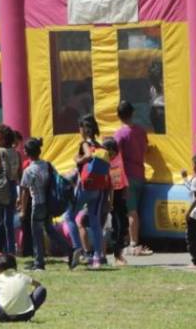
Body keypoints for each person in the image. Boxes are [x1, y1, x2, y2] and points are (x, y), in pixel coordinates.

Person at [65, 114, 110, 269]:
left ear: (83, 129)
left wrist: (78, 160)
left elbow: (88, 156)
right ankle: (97, 257)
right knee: (95, 223)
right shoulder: (100, 145)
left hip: (84, 187)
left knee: (69, 216)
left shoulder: (85, 144)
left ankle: (77, 247)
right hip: (98, 189)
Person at [114, 101, 153, 257]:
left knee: (131, 211)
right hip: (140, 174)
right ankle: (134, 239)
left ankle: (133, 243)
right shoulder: (141, 131)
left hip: (128, 177)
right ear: (132, 113)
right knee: (136, 210)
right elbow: (146, 148)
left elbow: (116, 156)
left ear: (118, 115)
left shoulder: (120, 134)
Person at [18, 138, 63, 270]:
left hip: (37, 204)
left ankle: (39, 263)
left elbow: (25, 191)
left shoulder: (29, 170)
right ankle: (70, 249)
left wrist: (23, 210)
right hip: (48, 203)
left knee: (37, 234)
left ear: (27, 152)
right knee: (49, 229)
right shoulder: (47, 165)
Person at [0, 124, 21, 258]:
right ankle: (11, 250)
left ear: (3, 140)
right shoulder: (16, 153)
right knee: (9, 221)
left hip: (0, 188)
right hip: (12, 187)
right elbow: (19, 174)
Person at [0, 253, 46, 322]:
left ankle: (2, 313)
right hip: (25, 315)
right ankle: (26, 311)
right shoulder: (22, 276)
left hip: (4, 315)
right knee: (41, 289)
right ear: (15, 266)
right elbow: (38, 285)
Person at [104, 138, 130, 266]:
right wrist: (110, 201)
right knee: (117, 225)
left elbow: (121, 176)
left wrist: (126, 188)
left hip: (118, 195)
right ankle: (116, 255)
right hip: (111, 196)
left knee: (122, 225)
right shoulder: (107, 161)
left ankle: (118, 254)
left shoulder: (116, 160)